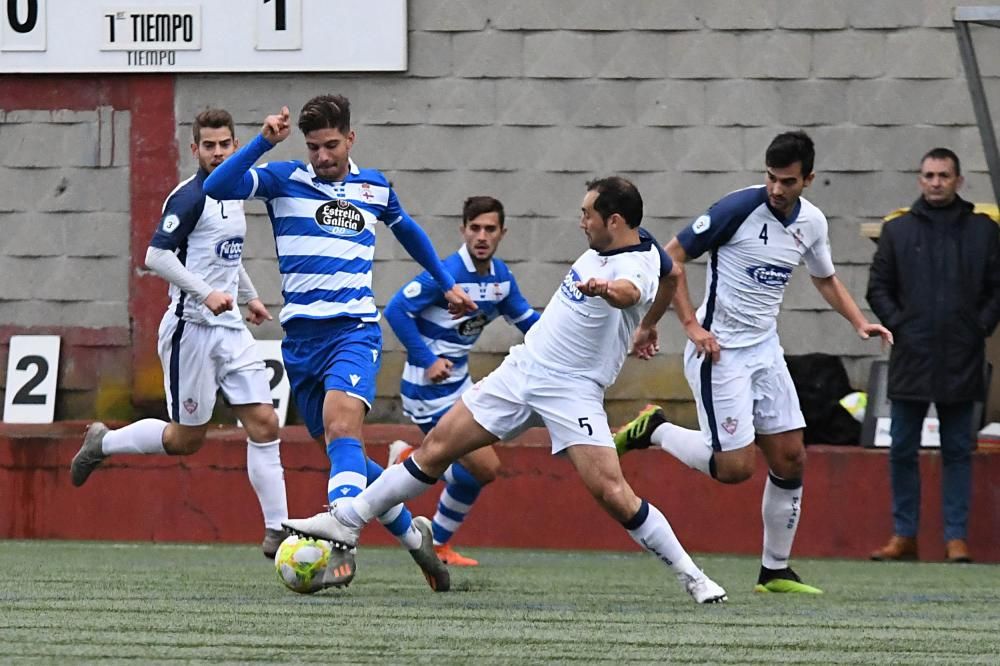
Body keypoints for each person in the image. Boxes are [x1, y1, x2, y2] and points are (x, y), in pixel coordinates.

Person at [284, 176, 731, 604]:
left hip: (571, 389)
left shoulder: (633, 266)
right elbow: (673, 272)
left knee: (613, 494)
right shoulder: (644, 242)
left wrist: (606, 291)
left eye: (587, 214)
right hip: (522, 369)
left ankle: (694, 577)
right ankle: (347, 520)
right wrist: (651, 327)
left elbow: (630, 291)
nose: (581, 222)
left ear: (614, 220)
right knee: (437, 449)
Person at [202, 95, 476, 591]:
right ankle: (416, 539)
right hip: (302, 340)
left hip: (354, 329)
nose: (322, 156)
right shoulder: (285, 177)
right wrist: (264, 142)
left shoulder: (374, 187)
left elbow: (407, 230)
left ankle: (339, 546)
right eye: (314, 147)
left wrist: (446, 281)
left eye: (331, 145)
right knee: (342, 452)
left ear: (351, 138)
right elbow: (217, 185)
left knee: (343, 426)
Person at [614, 131, 892, 593]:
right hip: (718, 351)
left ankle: (774, 570)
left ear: (808, 180)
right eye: (770, 178)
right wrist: (690, 327)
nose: (776, 189)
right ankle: (656, 429)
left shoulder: (813, 223)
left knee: (790, 457)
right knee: (736, 469)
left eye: (787, 181)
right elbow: (671, 258)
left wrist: (859, 323)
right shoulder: (736, 209)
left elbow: (825, 279)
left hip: (765, 350)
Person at [70, 109, 290, 558]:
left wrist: (248, 296)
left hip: (230, 330)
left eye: (224, 144)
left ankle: (277, 530)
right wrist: (206, 292)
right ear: (195, 149)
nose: (217, 152)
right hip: (190, 331)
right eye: (208, 145)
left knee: (265, 423)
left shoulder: (235, 192)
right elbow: (157, 256)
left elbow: (227, 255)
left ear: (234, 145)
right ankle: (103, 442)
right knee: (186, 438)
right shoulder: (188, 197)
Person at [384, 195, 540, 566]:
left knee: (476, 475)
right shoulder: (446, 272)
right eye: (475, 228)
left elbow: (530, 324)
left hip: (461, 387)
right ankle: (411, 459)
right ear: (463, 230)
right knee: (485, 467)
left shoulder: (501, 278)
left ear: (503, 233)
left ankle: (437, 544)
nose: (482, 236)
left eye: (490, 229)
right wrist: (426, 359)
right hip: (427, 389)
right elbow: (395, 310)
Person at [866, 148, 1000, 563]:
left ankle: (955, 538)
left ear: (959, 181)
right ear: (920, 180)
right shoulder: (899, 230)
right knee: (902, 448)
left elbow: (997, 288)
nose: (936, 182)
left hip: (962, 355)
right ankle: (904, 536)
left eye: (944, 175)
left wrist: (978, 326)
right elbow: (878, 287)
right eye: (929, 175)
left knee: (958, 450)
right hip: (912, 354)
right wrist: (899, 325)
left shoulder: (983, 230)